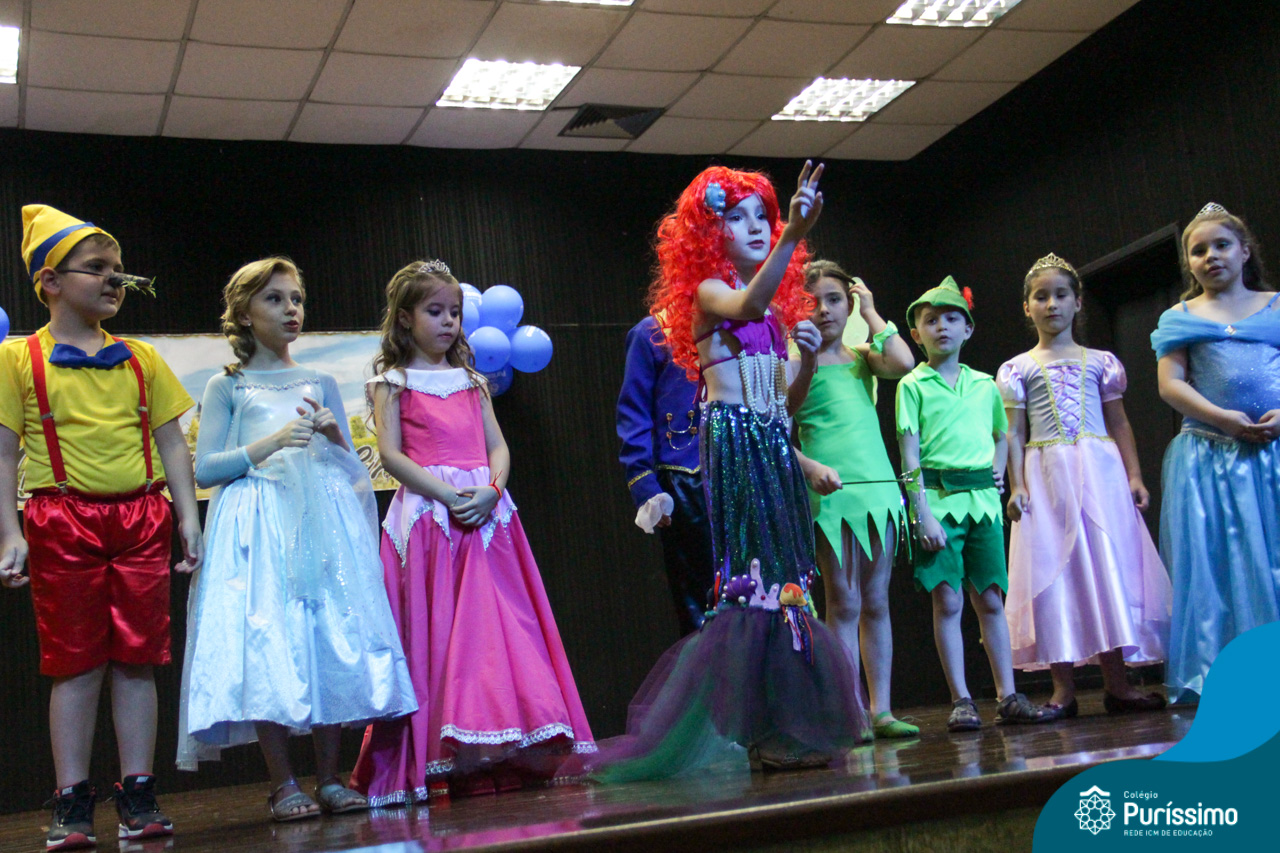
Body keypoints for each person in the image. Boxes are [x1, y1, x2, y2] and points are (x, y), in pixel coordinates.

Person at [585, 162, 869, 783]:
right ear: (710, 235)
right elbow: (749, 302)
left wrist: (808, 364)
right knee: (753, 584)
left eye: (762, 216)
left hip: (768, 446)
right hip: (735, 448)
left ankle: (785, 727)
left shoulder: (772, 319)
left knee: (788, 584)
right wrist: (795, 233)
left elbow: (781, 407)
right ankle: (759, 731)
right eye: (736, 218)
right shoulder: (711, 294)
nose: (756, 227)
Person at [177, 257, 417, 821]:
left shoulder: (320, 381)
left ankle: (329, 777)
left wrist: (336, 436)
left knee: (326, 635)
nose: (291, 309)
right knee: (269, 641)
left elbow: (348, 470)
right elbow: (206, 468)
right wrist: (272, 442)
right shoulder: (228, 385)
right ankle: (283, 782)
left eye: (296, 299)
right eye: (275, 299)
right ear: (244, 313)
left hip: (320, 522)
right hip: (259, 525)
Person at [351, 260, 594, 803]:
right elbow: (391, 455)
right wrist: (446, 495)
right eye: (435, 311)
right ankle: (444, 754)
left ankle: (502, 746)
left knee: (494, 632)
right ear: (405, 317)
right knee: (440, 631)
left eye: (454, 312)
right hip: (431, 518)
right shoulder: (392, 384)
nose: (448, 322)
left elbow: (497, 446)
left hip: (486, 517)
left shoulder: (472, 381)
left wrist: (492, 488)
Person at [0, 205, 203, 849]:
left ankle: (138, 793)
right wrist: (9, 532)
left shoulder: (140, 358)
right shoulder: (17, 359)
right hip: (62, 519)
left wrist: (187, 517)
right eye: (97, 269)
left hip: (141, 518)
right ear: (50, 281)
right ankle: (72, 799)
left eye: (119, 269)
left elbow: (172, 444)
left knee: (139, 659)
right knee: (76, 663)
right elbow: (3, 453)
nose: (116, 280)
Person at [999, 253, 1171, 717]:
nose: (1051, 304)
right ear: (1027, 307)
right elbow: (1013, 433)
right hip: (1046, 476)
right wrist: (1017, 485)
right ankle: (1062, 691)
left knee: (1106, 566)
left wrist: (1134, 475)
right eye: (1041, 297)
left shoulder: (1101, 362)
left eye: (1061, 295)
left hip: (1100, 472)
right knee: (1055, 571)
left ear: (1077, 302)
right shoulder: (1018, 369)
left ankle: (1119, 685)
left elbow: (1119, 422)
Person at [896, 275, 1055, 732]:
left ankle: (1008, 695)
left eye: (951, 319)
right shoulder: (913, 385)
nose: (941, 327)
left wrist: (999, 471)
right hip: (939, 505)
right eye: (931, 320)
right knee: (948, 601)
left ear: (967, 329)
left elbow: (1001, 434)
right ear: (917, 333)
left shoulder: (985, 384)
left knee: (990, 598)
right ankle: (961, 699)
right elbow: (910, 456)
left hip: (982, 505)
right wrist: (921, 512)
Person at [1151, 203, 1280, 704]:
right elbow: (1170, 384)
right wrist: (1222, 418)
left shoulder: (1275, 306)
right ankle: (1229, 674)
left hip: (1273, 454)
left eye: (1221, 245)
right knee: (1222, 567)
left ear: (1245, 251)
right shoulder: (1180, 317)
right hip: (1211, 456)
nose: (1211, 256)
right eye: (1198, 250)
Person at [788, 260, 918, 738]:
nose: (824, 310)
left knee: (877, 600)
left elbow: (904, 363)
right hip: (833, 495)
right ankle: (849, 711)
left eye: (835, 300)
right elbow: (777, 428)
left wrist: (872, 312)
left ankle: (881, 709)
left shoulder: (864, 356)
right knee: (843, 602)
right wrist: (810, 469)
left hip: (877, 491)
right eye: (812, 302)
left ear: (849, 304)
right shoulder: (793, 364)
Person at [617, 315, 715, 635]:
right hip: (686, 478)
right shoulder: (652, 333)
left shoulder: (738, 323)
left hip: (739, 471)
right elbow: (634, 412)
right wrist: (644, 484)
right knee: (701, 600)